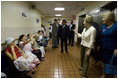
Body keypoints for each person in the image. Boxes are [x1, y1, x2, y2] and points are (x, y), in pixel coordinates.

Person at [99, 12, 117, 78]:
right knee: (103, 61)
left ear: (109, 18)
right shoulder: (104, 26)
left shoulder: (116, 26)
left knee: (114, 63)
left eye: (103, 17)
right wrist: (99, 45)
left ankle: (114, 75)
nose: (102, 19)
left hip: (113, 50)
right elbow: (102, 37)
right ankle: (104, 74)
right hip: (104, 48)